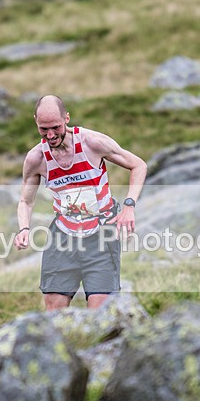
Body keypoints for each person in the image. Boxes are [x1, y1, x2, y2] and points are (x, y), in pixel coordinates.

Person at [14, 95, 147, 310]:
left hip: (101, 235)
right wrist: (24, 229)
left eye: (56, 127)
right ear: (36, 123)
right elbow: (25, 201)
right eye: (43, 129)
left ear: (67, 118)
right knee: (53, 309)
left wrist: (129, 206)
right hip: (63, 237)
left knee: (100, 311)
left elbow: (138, 165)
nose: (50, 135)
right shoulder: (36, 158)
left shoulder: (92, 143)